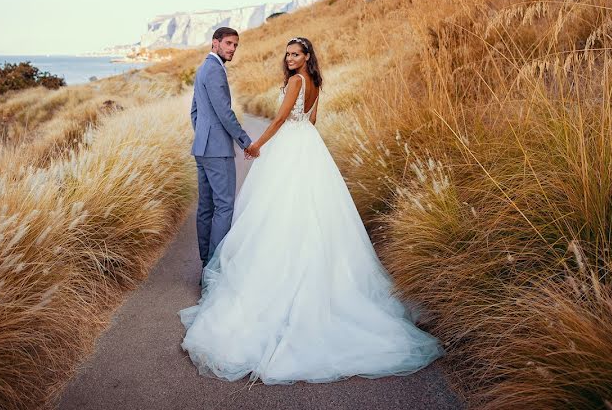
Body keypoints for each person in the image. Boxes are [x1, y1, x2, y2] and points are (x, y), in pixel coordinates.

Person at [179, 36, 444, 384]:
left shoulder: (295, 81)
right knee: (314, 213)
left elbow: (278, 120)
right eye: (287, 54)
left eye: (295, 54)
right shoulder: (316, 82)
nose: (289, 59)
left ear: (306, 57)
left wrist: (255, 145)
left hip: (289, 147)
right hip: (309, 147)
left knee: (278, 212)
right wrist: (297, 138)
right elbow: (311, 121)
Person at [190, 27, 260, 269]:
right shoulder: (215, 71)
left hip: (202, 148)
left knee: (206, 207)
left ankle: (205, 263)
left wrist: (203, 137)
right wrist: (246, 142)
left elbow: (195, 113)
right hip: (217, 150)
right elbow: (224, 113)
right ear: (215, 43)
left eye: (235, 45)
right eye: (228, 43)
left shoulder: (203, 69)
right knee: (224, 206)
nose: (232, 49)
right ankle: (213, 268)